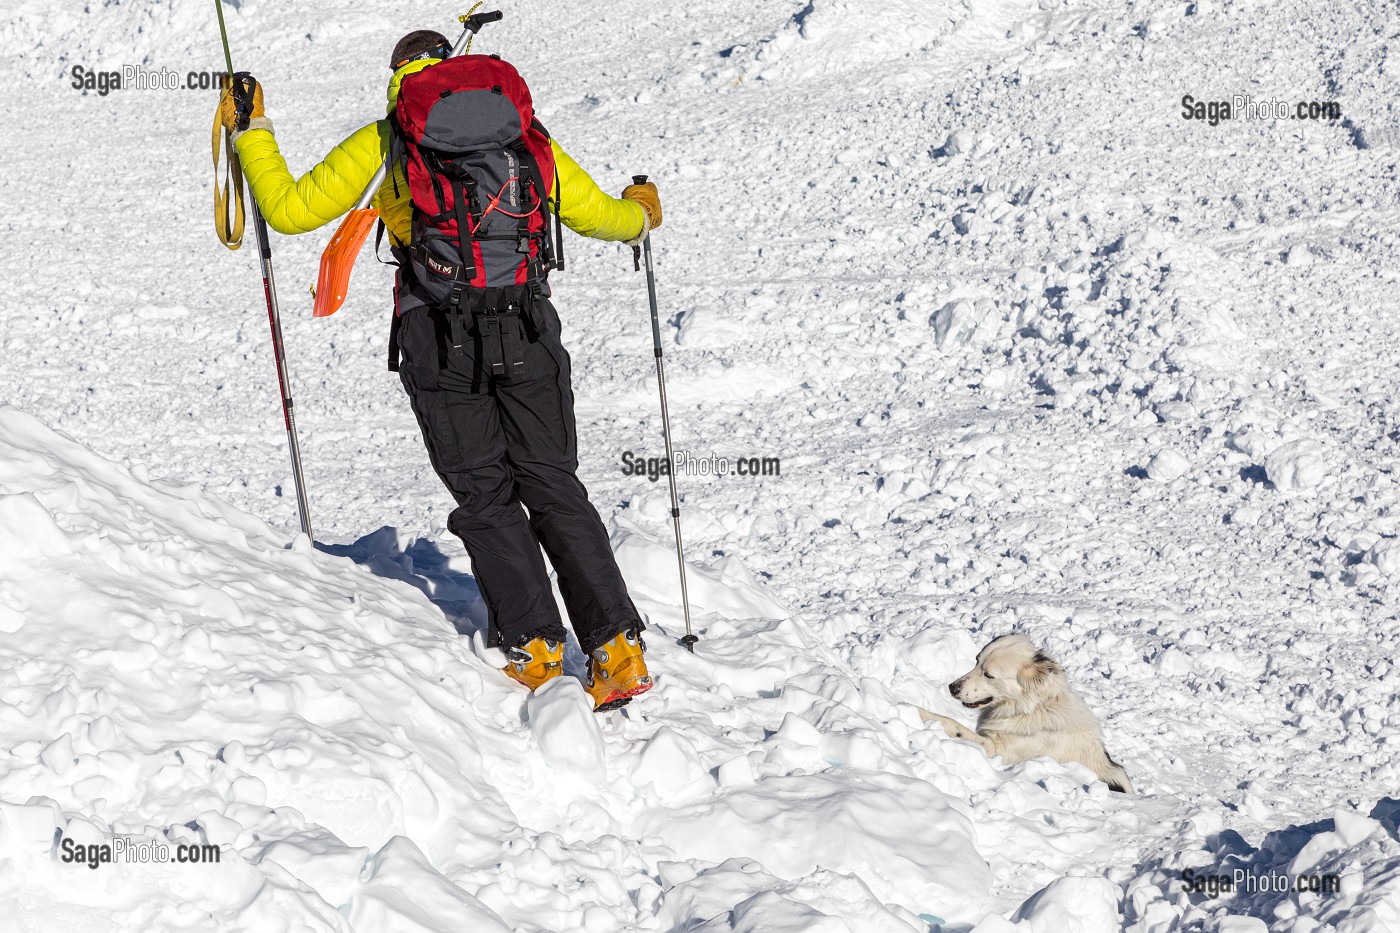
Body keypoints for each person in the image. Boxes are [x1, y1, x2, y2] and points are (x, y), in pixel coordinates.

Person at [218, 30, 663, 711]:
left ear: (399, 76)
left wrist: (253, 129)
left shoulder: (389, 139)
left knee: (486, 491)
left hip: (440, 337)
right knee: (552, 482)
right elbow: (600, 216)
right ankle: (618, 650)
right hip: (529, 328)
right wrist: (641, 213)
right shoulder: (523, 136)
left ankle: (538, 649)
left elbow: (289, 210)